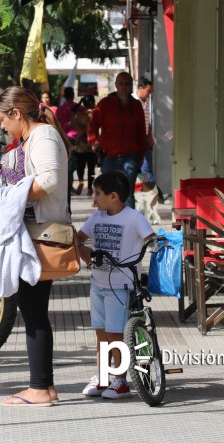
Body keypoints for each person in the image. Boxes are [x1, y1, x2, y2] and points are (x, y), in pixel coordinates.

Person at [0, 87, 71, 407]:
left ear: (17, 114)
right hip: (31, 235)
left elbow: (49, 180)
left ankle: (40, 388)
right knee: (33, 311)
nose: (2, 126)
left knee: (33, 312)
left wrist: (11, 198)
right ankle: (44, 385)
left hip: (38, 235)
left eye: (3, 119)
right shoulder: (34, 138)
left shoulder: (43, 136)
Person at [77, 170, 154, 399]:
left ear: (113, 196)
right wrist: (85, 253)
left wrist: (157, 245)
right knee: (101, 334)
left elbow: (151, 239)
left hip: (120, 286)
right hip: (98, 284)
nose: (94, 199)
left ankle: (120, 380)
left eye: (97, 194)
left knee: (115, 334)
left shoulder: (133, 217)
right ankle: (102, 377)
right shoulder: (97, 217)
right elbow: (79, 238)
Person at [87, 72, 147, 208]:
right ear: (116, 85)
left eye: (127, 83)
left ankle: (128, 227)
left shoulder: (136, 105)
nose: (124, 86)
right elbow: (92, 124)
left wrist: (141, 157)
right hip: (109, 156)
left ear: (131, 85)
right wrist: (94, 142)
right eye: (121, 83)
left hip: (131, 156)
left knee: (127, 192)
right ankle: (107, 223)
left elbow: (142, 132)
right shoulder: (105, 104)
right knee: (107, 193)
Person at [133, 76, 165, 201]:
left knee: (143, 171)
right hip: (136, 142)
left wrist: (150, 137)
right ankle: (156, 194)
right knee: (144, 170)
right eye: (148, 91)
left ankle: (149, 191)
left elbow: (147, 121)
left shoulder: (145, 101)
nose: (150, 94)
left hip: (144, 141)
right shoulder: (133, 101)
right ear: (140, 88)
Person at [55, 87, 85, 195]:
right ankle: (78, 182)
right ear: (73, 95)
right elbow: (85, 123)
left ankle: (68, 187)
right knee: (78, 163)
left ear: (64, 96)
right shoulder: (80, 108)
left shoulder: (60, 109)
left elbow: (57, 124)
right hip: (78, 139)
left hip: (64, 139)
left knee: (68, 164)